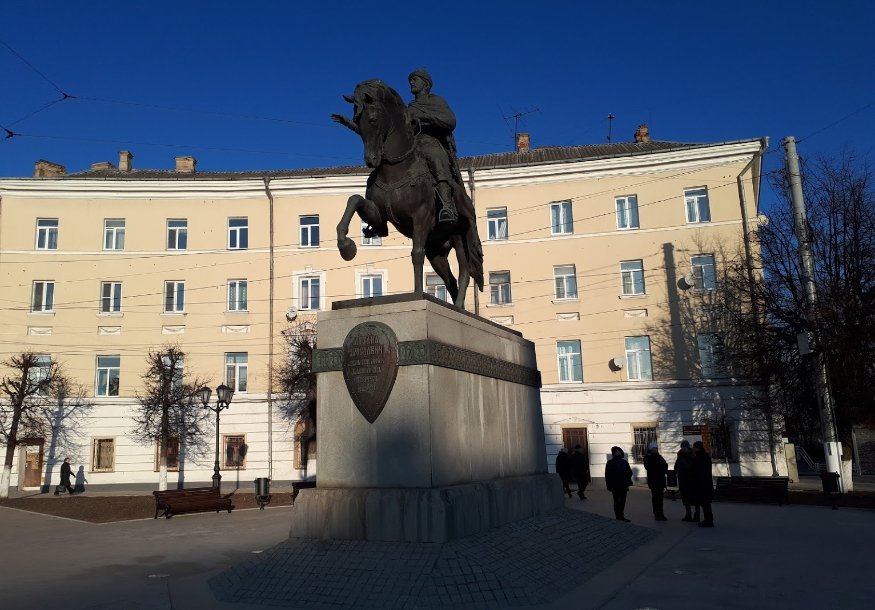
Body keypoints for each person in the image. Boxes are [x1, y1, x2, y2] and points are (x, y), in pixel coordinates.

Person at [407, 68, 461, 224]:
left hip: (431, 141)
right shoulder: (408, 108)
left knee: (435, 155)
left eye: (415, 79)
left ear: (425, 83)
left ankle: (446, 205)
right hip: (412, 145)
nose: (411, 82)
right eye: (410, 80)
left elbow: (450, 121)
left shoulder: (436, 101)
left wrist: (425, 117)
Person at [604, 446, 633, 522]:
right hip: (615, 485)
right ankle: (618, 516)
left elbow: (629, 472)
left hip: (623, 484)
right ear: (614, 453)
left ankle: (621, 515)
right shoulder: (610, 463)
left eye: (619, 451)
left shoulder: (624, 462)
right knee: (617, 501)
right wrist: (608, 485)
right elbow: (607, 475)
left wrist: (627, 478)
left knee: (623, 501)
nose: (618, 453)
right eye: (616, 451)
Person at [675, 439, 700, 522]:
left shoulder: (692, 455)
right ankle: (688, 514)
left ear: (687, 447)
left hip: (692, 480)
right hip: (683, 480)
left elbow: (694, 466)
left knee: (695, 498)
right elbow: (676, 466)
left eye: (684, 447)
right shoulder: (680, 455)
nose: (683, 448)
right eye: (682, 447)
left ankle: (697, 515)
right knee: (686, 499)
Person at [642, 441, 668, 521]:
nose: (655, 449)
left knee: (660, 498)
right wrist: (659, 468)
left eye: (656, 448)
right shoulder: (647, 457)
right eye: (654, 448)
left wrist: (661, 469)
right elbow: (650, 468)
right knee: (656, 498)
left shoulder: (659, 456)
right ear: (650, 449)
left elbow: (665, 465)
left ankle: (661, 513)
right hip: (654, 481)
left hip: (660, 480)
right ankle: (657, 514)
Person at [692, 441, 715, 527]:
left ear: (697, 448)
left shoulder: (699, 457)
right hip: (706, 483)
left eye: (694, 447)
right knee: (706, 503)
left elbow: (696, 471)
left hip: (701, 484)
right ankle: (708, 519)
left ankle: (708, 520)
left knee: (705, 503)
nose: (693, 449)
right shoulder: (705, 456)